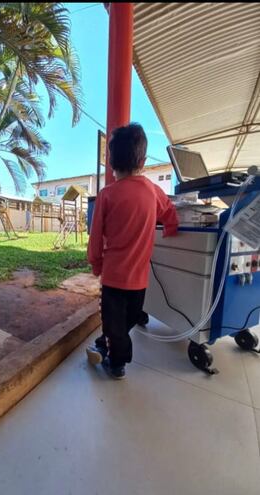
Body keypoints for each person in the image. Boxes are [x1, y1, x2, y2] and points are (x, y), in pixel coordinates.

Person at [86, 123, 178, 380]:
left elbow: (95, 237)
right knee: (129, 317)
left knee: (113, 321)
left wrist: (95, 263)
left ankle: (117, 363)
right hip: (139, 279)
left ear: (112, 161)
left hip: (114, 277)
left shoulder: (106, 195)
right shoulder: (153, 190)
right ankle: (108, 343)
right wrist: (170, 228)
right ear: (144, 160)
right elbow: (169, 210)